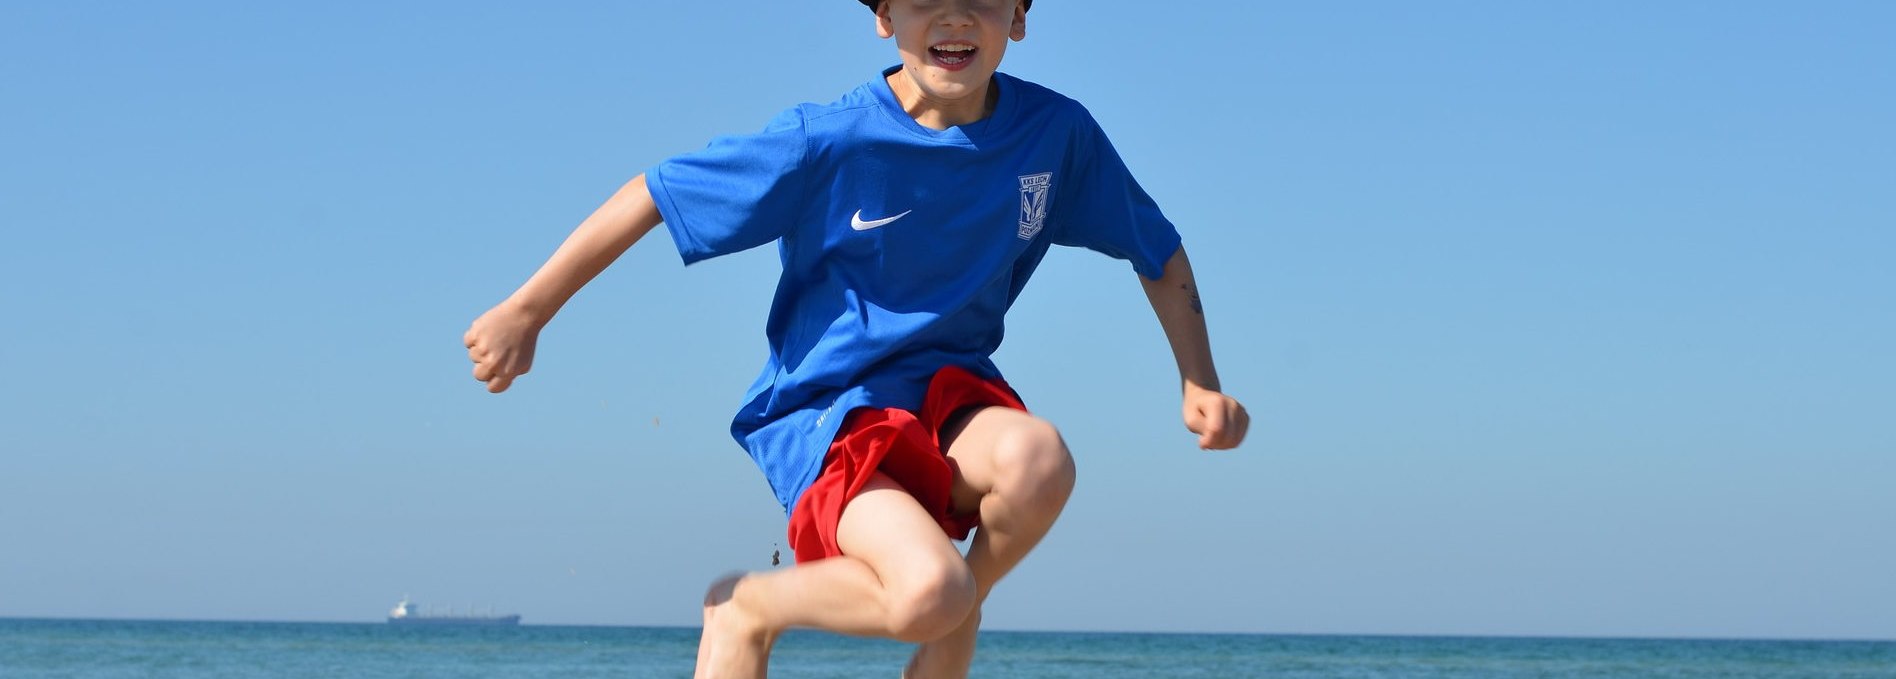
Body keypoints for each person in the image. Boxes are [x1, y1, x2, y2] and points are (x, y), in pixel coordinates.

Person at [463, 0, 1249, 676]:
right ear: (882, 17)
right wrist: (527, 309)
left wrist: (1199, 380)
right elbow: (656, 192)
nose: (954, 15)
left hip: (951, 397)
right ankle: (747, 606)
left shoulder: (1054, 135)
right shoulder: (829, 140)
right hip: (829, 412)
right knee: (928, 592)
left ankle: (956, 616)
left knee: (1040, 462)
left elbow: (1156, 247)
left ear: (1019, 14)